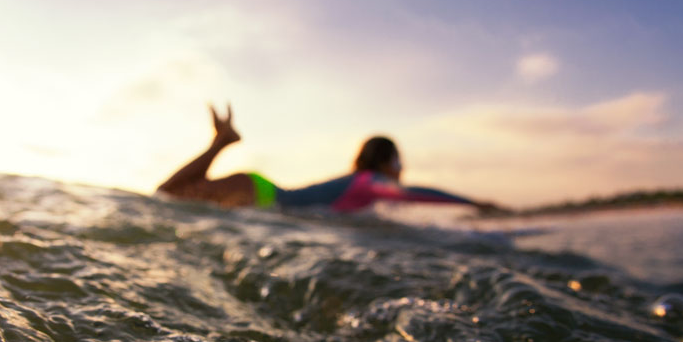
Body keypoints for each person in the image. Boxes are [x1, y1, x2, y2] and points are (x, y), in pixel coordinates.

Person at [157, 105, 502, 213]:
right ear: (384, 162)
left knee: (169, 197)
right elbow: (414, 193)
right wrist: (476, 203)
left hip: (261, 190)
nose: (401, 170)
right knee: (165, 196)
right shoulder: (369, 182)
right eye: (397, 162)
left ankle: (222, 141)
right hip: (264, 195)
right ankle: (221, 141)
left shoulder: (359, 184)